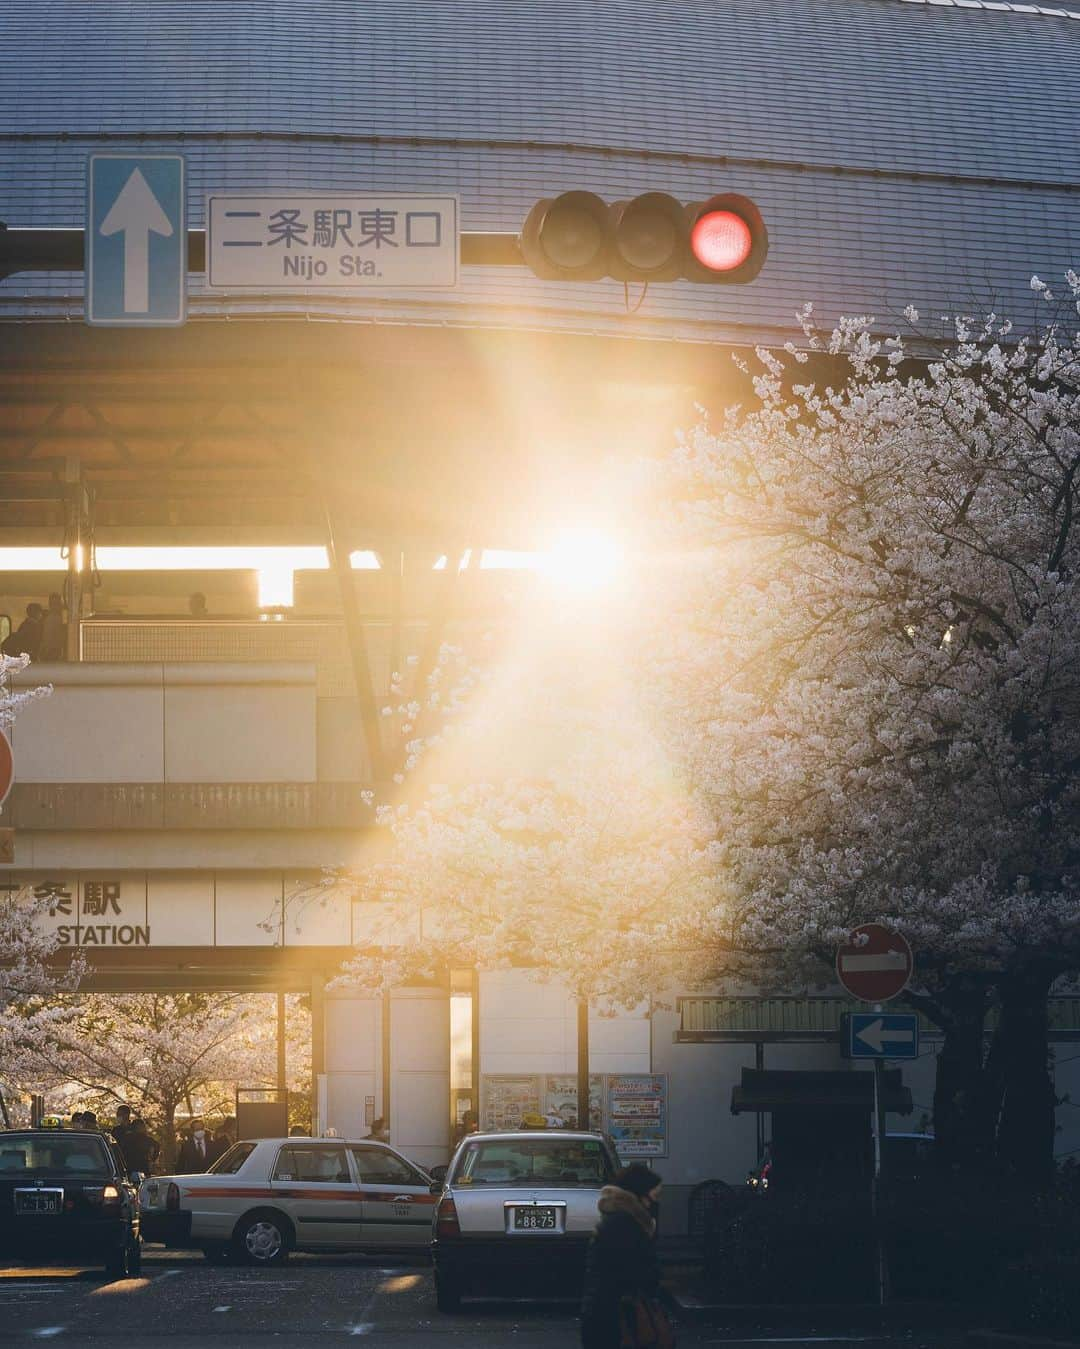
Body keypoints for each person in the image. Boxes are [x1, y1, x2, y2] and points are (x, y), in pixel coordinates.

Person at [580, 1164, 667, 1349]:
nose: (655, 1201)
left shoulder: (620, 1218)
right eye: (654, 1195)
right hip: (616, 1318)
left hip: (606, 1314)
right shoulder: (625, 1224)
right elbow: (639, 1271)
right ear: (639, 1194)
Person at [38, 592, 66, 661]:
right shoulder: (51, 619)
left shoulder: (60, 618)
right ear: (50, 605)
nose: (56, 606)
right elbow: (48, 639)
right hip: (51, 652)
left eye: (58, 604)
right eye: (54, 604)